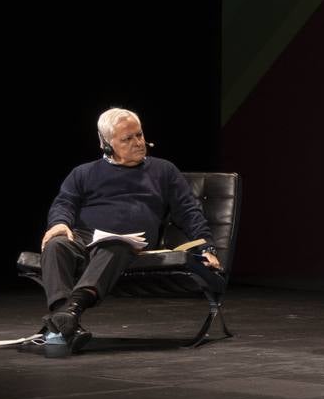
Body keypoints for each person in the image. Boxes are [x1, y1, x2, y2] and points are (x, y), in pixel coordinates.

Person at [35, 108, 220, 355]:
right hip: (86, 237)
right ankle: (65, 321)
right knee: (56, 243)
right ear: (106, 144)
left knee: (117, 243)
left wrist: (206, 247)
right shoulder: (83, 172)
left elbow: (188, 211)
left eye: (139, 135)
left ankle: (66, 317)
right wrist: (59, 223)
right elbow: (64, 203)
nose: (138, 142)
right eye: (127, 139)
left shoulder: (163, 170)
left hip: (130, 242)